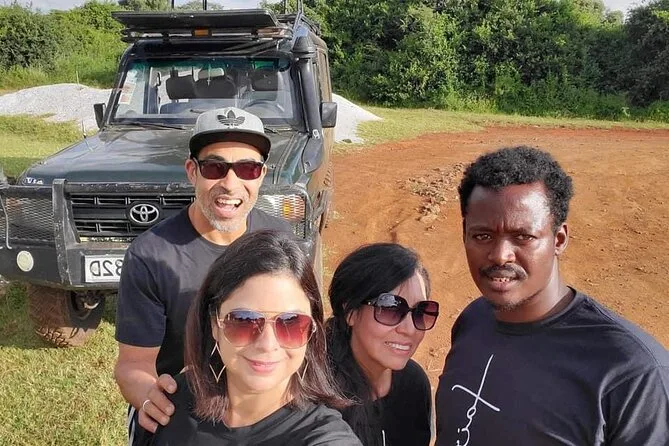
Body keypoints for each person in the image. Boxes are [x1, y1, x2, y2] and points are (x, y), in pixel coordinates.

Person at [435, 146, 669, 445]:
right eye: (483, 236)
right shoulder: (473, 319)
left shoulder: (633, 372)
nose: (500, 255)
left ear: (559, 240)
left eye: (523, 237)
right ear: (465, 234)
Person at [114, 107, 292, 444]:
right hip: (183, 408)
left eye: (247, 168)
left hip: (262, 405)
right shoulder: (151, 255)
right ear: (192, 172)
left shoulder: (280, 242)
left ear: (262, 175)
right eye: (214, 167)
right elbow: (133, 365)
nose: (230, 184)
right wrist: (151, 397)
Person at [148, 230, 362, 445]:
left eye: (291, 322)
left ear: (311, 330)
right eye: (244, 320)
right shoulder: (169, 405)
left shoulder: (324, 436)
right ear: (214, 324)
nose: (267, 344)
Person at [326, 243, 439, 446]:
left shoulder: (414, 384)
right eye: (390, 308)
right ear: (350, 312)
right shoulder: (315, 397)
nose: (409, 329)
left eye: (420, 311)